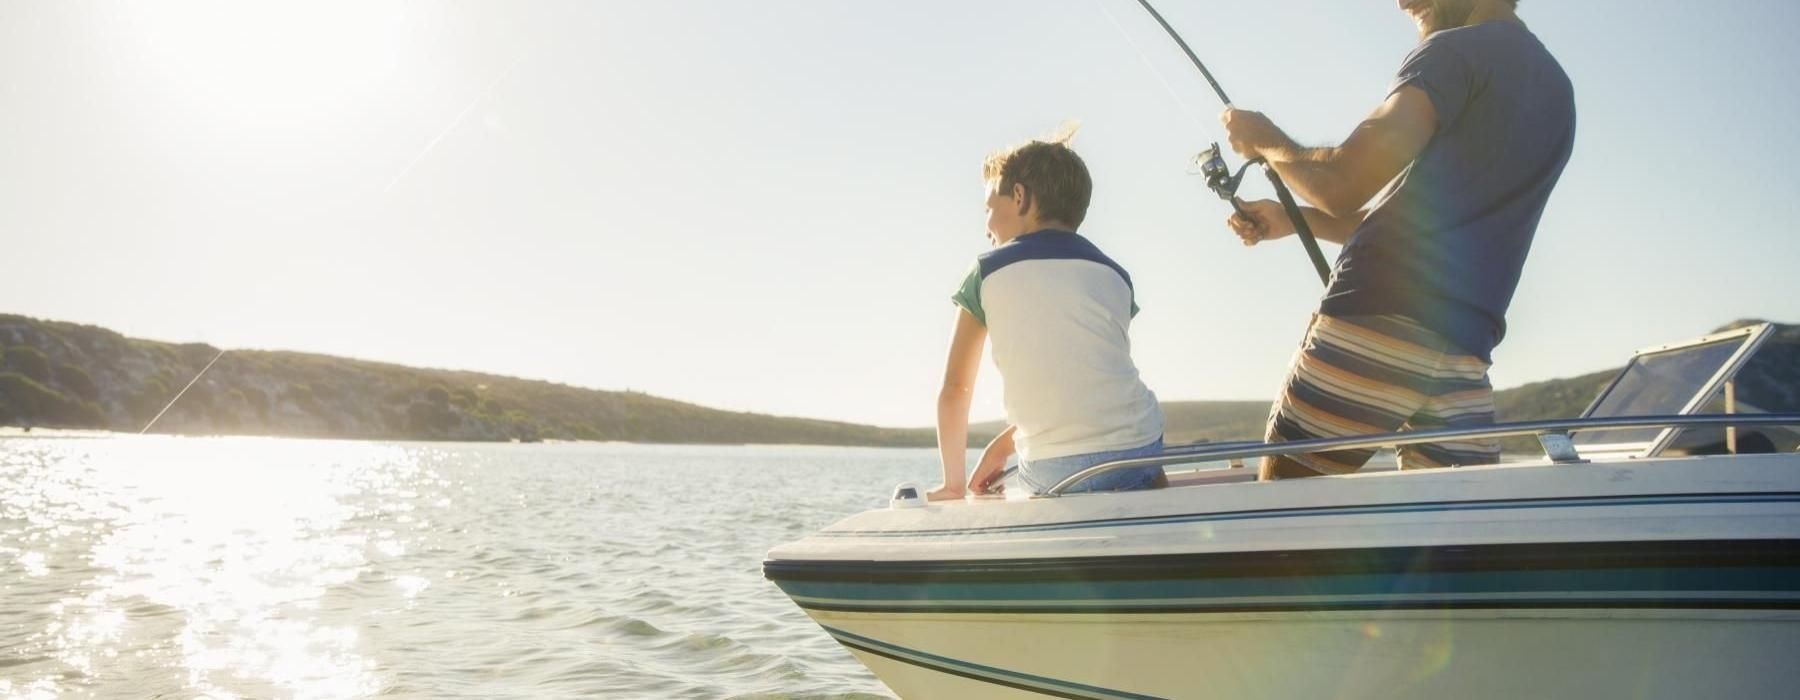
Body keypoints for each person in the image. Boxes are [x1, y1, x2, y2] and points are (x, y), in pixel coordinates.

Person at [1218, 0, 1575, 480]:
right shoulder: (1557, 89)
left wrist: (1262, 138)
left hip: (1374, 324)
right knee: (1442, 545)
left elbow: (1340, 185)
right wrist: (1292, 218)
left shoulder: (1451, 53)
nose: (1403, 3)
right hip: (1464, 355)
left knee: (1284, 523)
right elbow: (1428, 221)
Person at [926, 131, 1165, 501]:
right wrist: (1002, 444)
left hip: (1054, 469)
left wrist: (954, 484)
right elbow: (1086, 383)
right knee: (1137, 448)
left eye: (989, 208)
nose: (986, 224)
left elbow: (956, 389)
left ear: (1019, 197)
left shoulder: (986, 272)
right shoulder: (1116, 275)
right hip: (1142, 451)